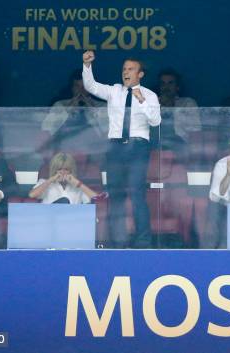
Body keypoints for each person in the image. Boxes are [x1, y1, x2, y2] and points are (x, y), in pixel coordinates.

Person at [81, 50, 161, 248]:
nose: (126, 72)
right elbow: (90, 86)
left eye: (131, 69)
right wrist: (87, 65)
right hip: (115, 147)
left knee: (137, 195)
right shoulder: (114, 91)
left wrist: (141, 100)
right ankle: (118, 241)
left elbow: (155, 120)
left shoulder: (150, 95)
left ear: (140, 74)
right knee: (116, 195)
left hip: (138, 147)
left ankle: (143, 242)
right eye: (124, 69)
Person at [41, 70, 106, 153]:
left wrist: (93, 110)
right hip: (64, 151)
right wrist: (67, 111)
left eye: (85, 87)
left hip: (93, 150)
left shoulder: (102, 106)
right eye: (77, 87)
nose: (81, 91)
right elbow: (47, 129)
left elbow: (107, 133)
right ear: (72, 88)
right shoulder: (60, 105)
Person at [29, 153, 98, 204]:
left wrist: (78, 184)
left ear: (71, 170)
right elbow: (32, 195)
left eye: (66, 169)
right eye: (59, 169)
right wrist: (51, 180)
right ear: (54, 170)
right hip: (49, 220)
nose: (63, 172)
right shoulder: (44, 183)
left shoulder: (78, 186)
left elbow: (97, 199)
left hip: (71, 221)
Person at [155, 68, 201, 144]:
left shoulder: (187, 103)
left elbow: (195, 131)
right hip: (156, 146)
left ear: (177, 87)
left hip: (181, 147)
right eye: (163, 83)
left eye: (170, 83)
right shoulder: (151, 104)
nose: (166, 87)